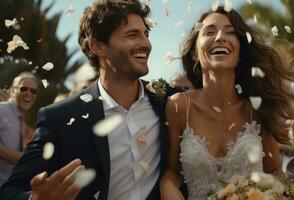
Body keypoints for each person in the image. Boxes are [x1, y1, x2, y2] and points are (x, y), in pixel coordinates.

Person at [0, 1, 181, 200]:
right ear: (98, 46)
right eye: (132, 35)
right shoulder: (59, 118)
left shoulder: (170, 100)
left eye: (146, 34)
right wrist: (34, 199)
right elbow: (10, 191)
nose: (145, 44)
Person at [160, 5, 294, 200]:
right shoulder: (179, 106)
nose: (219, 37)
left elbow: (275, 172)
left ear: (240, 51)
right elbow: (172, 171)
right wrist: (167, 187)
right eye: (209, 32)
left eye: (230, 32)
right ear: (194, 53)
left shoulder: (257, 109)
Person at [0, 72, 38, 187]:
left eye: (33, 91)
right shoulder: (2, 111)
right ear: (12, 91)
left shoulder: (22, 121)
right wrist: (23, 159)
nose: (28, 94)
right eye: (23, 89)